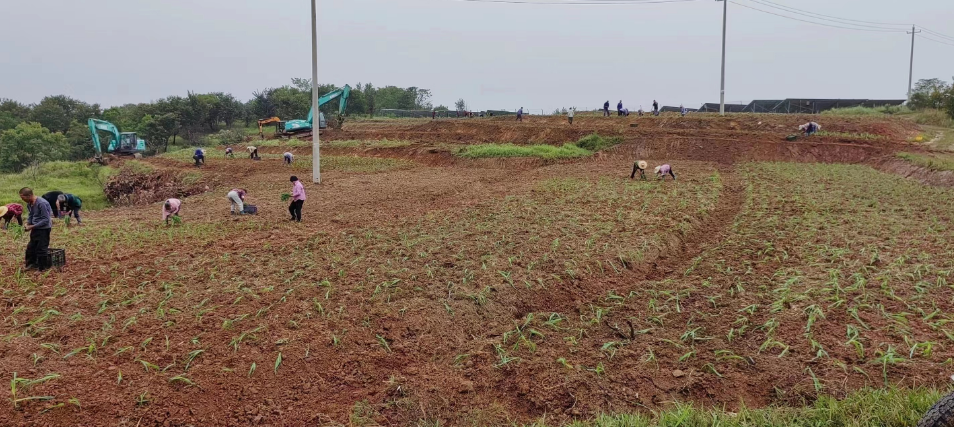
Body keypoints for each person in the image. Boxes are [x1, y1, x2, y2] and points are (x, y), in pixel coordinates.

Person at [19, 188, 53, 271]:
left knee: (41, 248)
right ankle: (31, 264)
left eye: (23, 198)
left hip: (44, 229)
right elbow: (31, 215)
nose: (22, 200)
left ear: (29, 195)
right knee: (31, 247)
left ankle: (42, 268)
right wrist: (28, 223)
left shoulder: (41, 203)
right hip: (35, 228)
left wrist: (32, 226)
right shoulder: (29, 204)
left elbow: (46, 220)